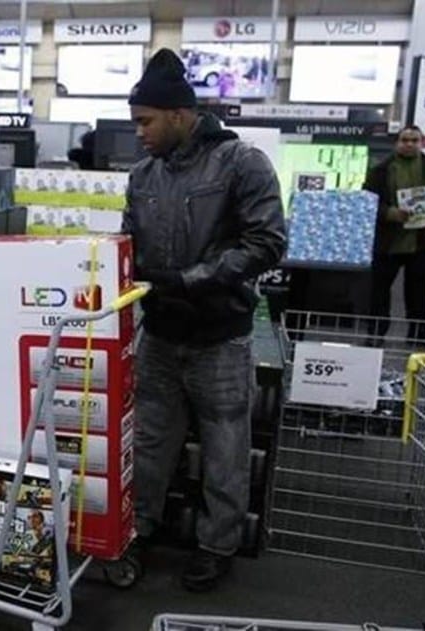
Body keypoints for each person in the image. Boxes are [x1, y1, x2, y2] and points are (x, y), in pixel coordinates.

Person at [122, 49, 286, 592]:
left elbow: (268, 242)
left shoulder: (242, 163)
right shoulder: (142, 175)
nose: (139, 133)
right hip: (159, 333)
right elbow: (129, 243)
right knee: (149, 441)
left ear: (178, 114)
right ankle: (138, 530)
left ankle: (218, 546)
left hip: (219, 336)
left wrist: (190, 279)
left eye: (146, 121)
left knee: (225, 446)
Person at [363, 125, 425, 342]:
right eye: (405, 140)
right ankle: (376, 333)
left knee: (419, 292)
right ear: (397, 142)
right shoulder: (381, 169)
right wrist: (389, 213)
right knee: (379, 292)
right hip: (388, 242)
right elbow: (368, 200)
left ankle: (418, 334)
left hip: (421, 242)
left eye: (415, 140)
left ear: (421, 143)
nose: (410, 144)